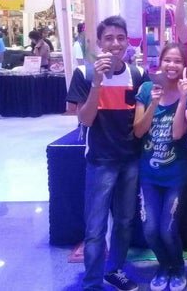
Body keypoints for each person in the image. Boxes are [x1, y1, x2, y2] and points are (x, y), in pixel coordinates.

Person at [66, 15, 149, 291]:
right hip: (100, 161)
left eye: (120, 38)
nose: (115, 43)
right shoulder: (85, 73)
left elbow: (142, 118)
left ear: (127, 42)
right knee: (95, 227)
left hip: (130, 159)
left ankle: (114, 270)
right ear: (100, 43)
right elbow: (85, 119)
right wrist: (97, 83)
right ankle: (92, 282)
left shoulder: (137, 74)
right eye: (109, 38)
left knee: (124, 222)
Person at [133, 43, 187, 291]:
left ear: (185, 66)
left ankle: (178, 267)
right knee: (150, 230)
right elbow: (138, 131)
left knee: (168, 229)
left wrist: (182, 98)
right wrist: (153, 103)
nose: (172, 65)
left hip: (177, 175)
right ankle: (163, 266)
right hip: (149, 174)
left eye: (177, 61)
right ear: (160, 62)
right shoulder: (146, 89)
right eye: (167, 60)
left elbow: (178, 133)